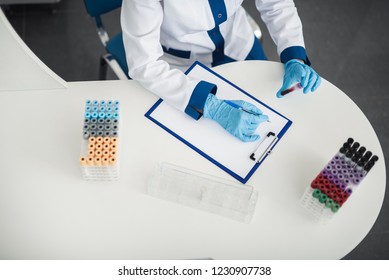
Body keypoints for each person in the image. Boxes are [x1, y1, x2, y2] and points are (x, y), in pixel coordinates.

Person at [121, 0, 321, 142]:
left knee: (274, 113)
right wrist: (211, 106)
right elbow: (144, 63)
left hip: (238, 41)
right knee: (208, 142)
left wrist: (294, 56)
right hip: (181, 66)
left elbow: (276, 4)